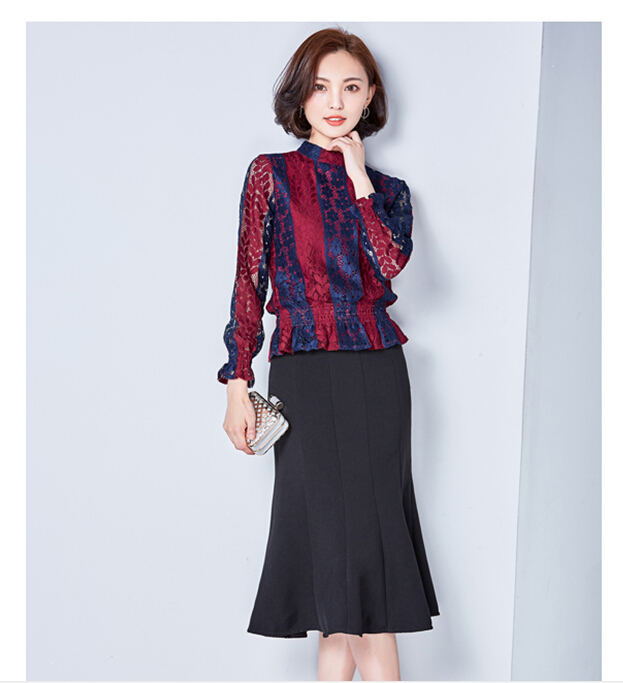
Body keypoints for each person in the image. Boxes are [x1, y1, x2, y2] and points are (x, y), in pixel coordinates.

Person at [218, 27, 439, 681]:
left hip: (376, 372)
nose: (335, 101)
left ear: (370, 96)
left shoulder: (389, 191)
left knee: (364, 561)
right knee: (331, 564)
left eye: (350, 87)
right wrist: (236, 382)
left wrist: (357, 177)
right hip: (303, 376)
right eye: (320, 87)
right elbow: (247, 282)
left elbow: (389, 263)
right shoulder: (271, 175)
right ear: (301, 96)